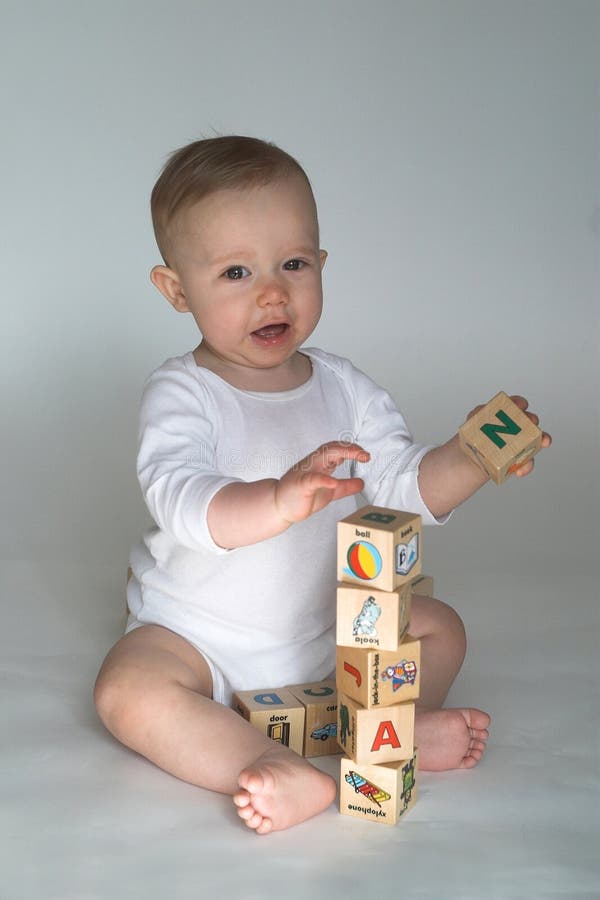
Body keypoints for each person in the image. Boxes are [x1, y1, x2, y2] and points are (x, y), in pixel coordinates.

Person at [94, 135, 551, 835]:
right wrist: (276, 499)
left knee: (441, 630)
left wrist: (471, 456)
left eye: (294, 263)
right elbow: (179, 497)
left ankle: (383, 737)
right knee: (128, 690)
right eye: (237, 271)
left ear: (321, 264)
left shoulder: (344, 387)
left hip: (327, 632)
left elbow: (401, 484)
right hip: (199, 637)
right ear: (177, 290)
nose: (273, 291)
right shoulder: (183, 392)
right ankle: (285, 766)